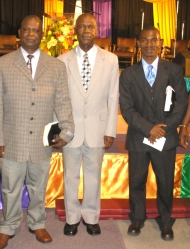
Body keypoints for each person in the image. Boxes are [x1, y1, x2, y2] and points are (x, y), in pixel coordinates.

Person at [0, 15, 74, 249]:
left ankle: (37, 223)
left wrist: (67, 131)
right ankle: (8, 226)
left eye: (35, 30)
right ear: (19, 32)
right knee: (10, 187)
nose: (30, 33)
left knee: (39, 186)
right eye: (26, 29)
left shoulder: (56, 66)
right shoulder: (3, 63)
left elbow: (63, 101)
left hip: (42, 140)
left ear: (42, 34)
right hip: (11, 140)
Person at [119, 26, 188, 241]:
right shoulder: (128, 74)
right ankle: (137, 218)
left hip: (165, 137)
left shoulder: (174, 70)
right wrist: (148, 128)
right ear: (138, 44)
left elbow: (181, 104)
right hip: (139, 137)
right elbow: (127, 108)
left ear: (160, 43)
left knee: (165, 181)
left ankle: (166, 220)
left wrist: (162, 129)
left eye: (154, 40)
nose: (149, 45)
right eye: (145, 41)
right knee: (137, 181)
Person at [57, 13, 119, 236]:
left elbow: (113, 97)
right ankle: (72, 218)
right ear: (75, 30)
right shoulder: (62, 60)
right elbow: (59, 99)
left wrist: (110, 130)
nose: (86, 30)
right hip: (70, 131)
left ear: (96, 31)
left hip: (97, 129)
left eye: (90, 27)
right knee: (70, 175)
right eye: (81, 26)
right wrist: (60, 129)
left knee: (93, 176)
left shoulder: (110, 60)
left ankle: (92, 216)